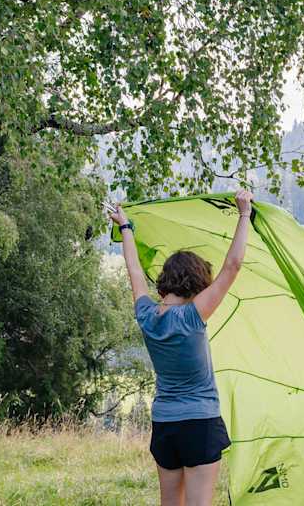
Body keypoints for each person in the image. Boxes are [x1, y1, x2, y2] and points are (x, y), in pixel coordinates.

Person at [108, 189, 253, 506]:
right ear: (196, 284)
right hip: (199, 422)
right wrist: (244, 214)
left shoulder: (146, 315)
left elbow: (133, 271)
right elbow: (234, 265)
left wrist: (126, 227)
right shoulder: (192, 316)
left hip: (165, 425)